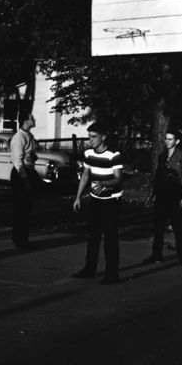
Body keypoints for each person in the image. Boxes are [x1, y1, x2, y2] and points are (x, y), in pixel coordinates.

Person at [72, 122, 124, 284]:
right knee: (93, 236)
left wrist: (104, 184)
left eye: (94, 137)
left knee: (110, 238)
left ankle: (112, 274)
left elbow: (118, 178)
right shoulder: (88, 153)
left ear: (103, 137)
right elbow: (86, 175)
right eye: (89, 137)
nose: (90, 140)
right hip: (95, 200)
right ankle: (89, 269)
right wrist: (78, 197)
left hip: (111, 201)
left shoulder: (113, 155)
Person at [142, 129, 182, 267]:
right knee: (158, 227)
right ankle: (156, 255)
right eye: (166, 139)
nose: (167, 141)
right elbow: (157, 175)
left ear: (177, 141)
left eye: (170, 139)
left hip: (176, 193)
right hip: (162, 193)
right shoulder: (162, 156)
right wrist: (152, 194)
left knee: (179, 227)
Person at [10, 112, 38, 249]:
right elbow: (17, 161)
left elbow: (31, 154)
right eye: (31, 118)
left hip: (29, 171)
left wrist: (34, 157)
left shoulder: (30, 136)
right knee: (20, 207)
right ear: (25, 121)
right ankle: (18, 239)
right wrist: (25, 180)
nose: (34, 120)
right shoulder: (18, 137)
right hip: (21, 174)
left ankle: (23, 238)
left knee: (27, 208)